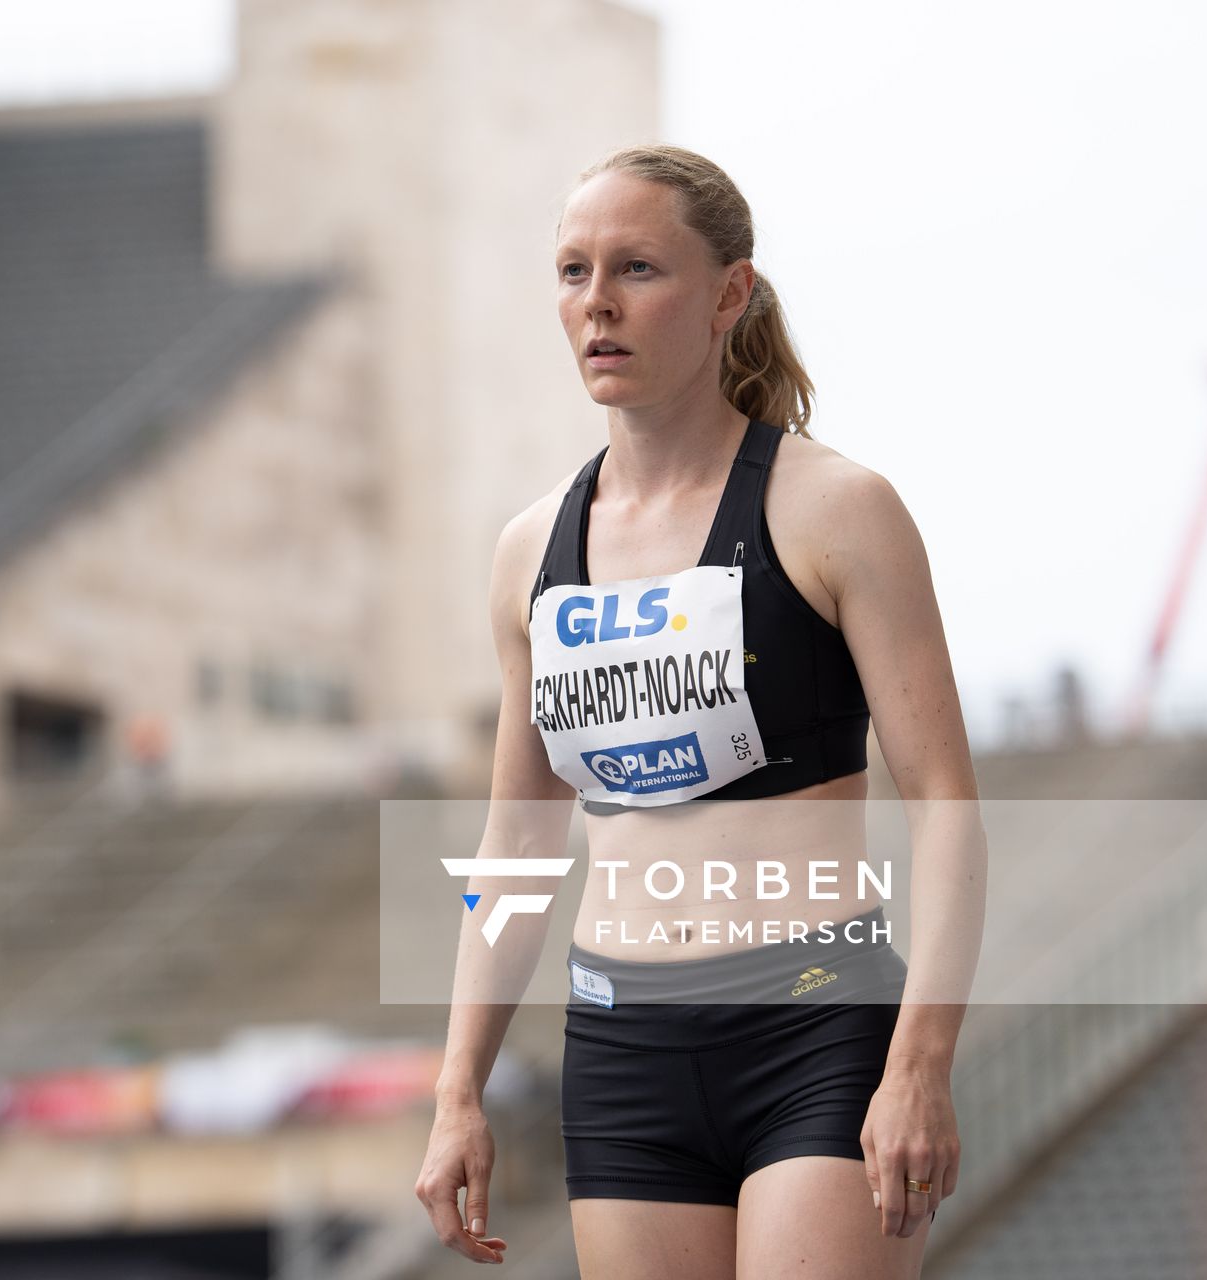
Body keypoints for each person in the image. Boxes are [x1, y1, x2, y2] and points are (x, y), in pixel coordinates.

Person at [414, 144, 987, 1277]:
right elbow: (517, 844)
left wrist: (920, 1059)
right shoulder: (532, 550)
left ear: (731, 293)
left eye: (638, 268)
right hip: (624, 1044)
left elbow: (949, 808)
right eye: (573, 272)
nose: (599, 304)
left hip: (816, 1027)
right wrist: (455, 1087)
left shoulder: (838, 510)